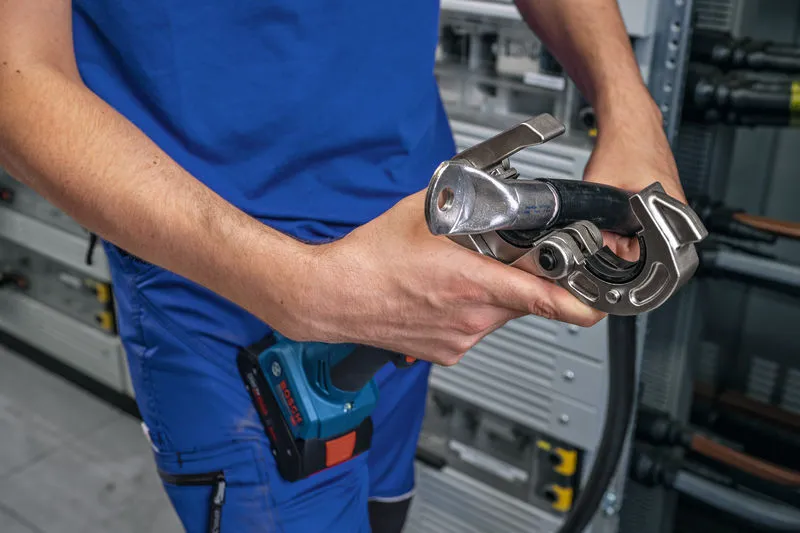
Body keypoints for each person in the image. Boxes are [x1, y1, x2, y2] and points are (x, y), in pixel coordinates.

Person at [0, 1, 686, 531]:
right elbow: (14, 72)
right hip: (221, 275)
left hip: (411, 235)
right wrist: (297, 286)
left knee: (384, 508)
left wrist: (629, 105)